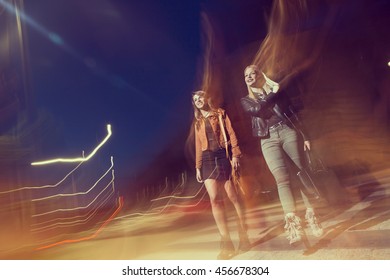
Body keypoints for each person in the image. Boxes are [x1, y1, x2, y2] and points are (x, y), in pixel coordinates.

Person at [240, 65, 323, 245]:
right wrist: (273, 92)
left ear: (259, 74)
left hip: (287, 132)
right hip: (267, 139)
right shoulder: (247, 100)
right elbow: (258, 110)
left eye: (252, 73)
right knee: (281, 178)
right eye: (245, 75)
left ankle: (312, 217)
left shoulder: (277, 90)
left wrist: (305, 135)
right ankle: (293, 225)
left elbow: (292, 112)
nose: (248, 77)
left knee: (301, 172)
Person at [192, 90, 250, 259]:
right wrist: (198, 167)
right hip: (207, 159)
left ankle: (243, 234)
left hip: (222, 155)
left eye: (200, 97)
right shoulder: (197, 122)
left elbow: (231, 133)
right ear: (194, 104)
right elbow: (198, 145)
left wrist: (236, 154)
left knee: (233, 196)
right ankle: (226, 241)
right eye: (195, 100)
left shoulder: (220, 114)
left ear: (205, 98)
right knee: (214, 200)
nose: (198, 100)